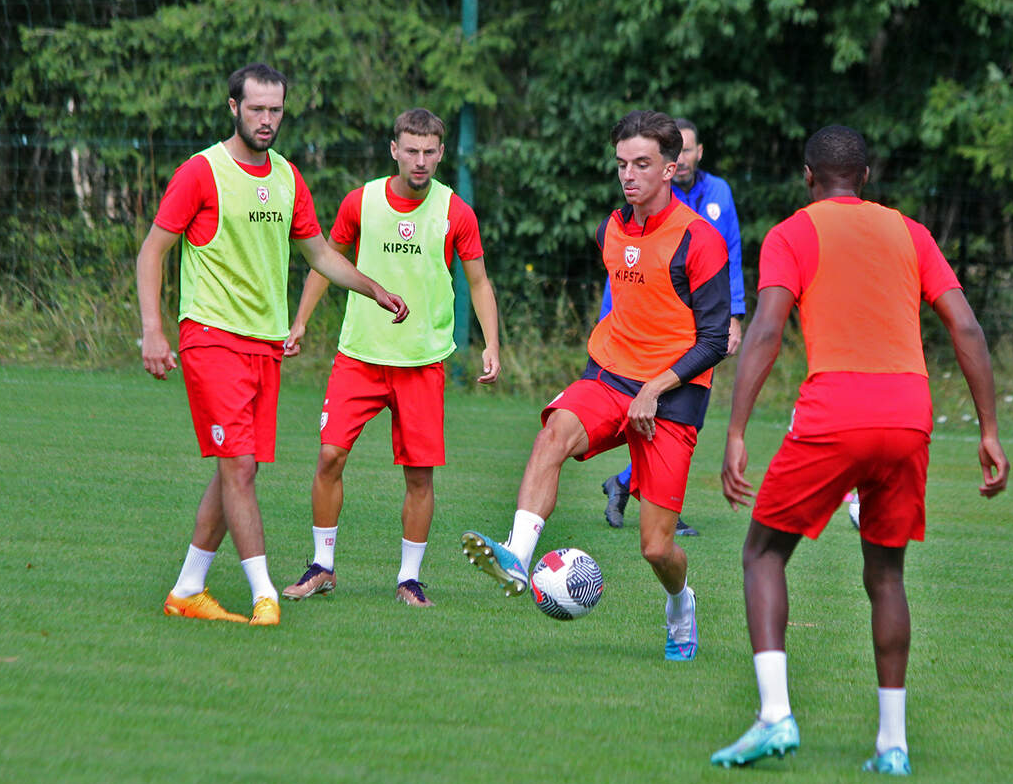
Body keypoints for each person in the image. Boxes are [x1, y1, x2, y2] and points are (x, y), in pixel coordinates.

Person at [711, 125, 1008, 773]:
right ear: (867, 177)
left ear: (809, 177)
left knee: (762, 552)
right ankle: (892, 745)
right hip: (909, 411)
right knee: (887, 574)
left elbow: (765, 329)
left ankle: (774, 717)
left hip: (837, 408)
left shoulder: (794, 232)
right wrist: (987, 428)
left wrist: (735, 431)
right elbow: (965, 325)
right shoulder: (910, 231)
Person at [137, 63, 408, 627]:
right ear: (232, 107)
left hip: (265, 345)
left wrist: (373, 288)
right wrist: (154, 329)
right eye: (256, 109)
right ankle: (266, 595)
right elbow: (152, 251)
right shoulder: (201, 172)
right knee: (237, 466)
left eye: (275, 110)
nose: (266, 120)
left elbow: (321, 254)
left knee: (237, 468)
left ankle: (188, 588)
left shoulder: (287, 177)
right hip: (210, 336)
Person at [461, 110, 730, 661]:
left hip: (673, 398)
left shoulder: (700, 239)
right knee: (553, 432)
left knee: (657, 548)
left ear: (671, 168)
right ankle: (517, 554)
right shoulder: (614, 227)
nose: (628, 175)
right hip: (608, 378)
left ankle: (681, 607)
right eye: (621, 164)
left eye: (642, 164)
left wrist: (655, 389)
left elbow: (713, 340)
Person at [281, 108, 500, 608]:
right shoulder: (362, 202)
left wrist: (491, 342)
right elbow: (324, 262)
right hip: (359, 356)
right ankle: (322, 565)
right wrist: (301, 320)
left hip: (422, 362)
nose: (420, 161)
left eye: (429, 152)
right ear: (394, 149)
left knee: (419, 475)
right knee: (330, 456)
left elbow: (479, 281)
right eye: (411, 150)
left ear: (442, 153)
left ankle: (409, 578)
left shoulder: (456, 212)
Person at [599, 117, 745, 537]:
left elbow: (729, 251)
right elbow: (626, 263)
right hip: (638, 327)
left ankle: (627, 484)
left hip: (695, 326)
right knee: (660, 420)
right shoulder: (650, 194)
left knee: (686, 421)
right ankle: (654, 502)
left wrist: (733, 315)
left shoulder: (717, 193)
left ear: (697, 154)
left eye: (689, 150)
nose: (681, 160)